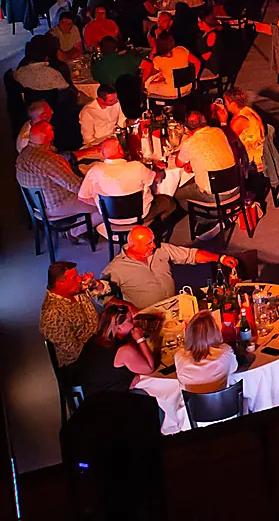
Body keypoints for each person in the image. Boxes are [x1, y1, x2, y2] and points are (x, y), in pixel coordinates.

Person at [102, 226, 233, 309]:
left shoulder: (161, 249)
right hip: (149, 316)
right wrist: (129, 308)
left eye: (153, 241)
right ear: (133, 247)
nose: (154, 246)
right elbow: (102, 297)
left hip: (176, 305)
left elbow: (190, 255)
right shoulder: (116, 268)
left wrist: (220, 258)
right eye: (148, 244)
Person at [78, 138, 178, 234]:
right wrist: (157, 168)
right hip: (141, 216)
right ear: (122, 151)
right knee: (169, 202)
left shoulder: (95, 171)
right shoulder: (136, 166)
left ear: (103, 154)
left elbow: (82, 197)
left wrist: (106, 206)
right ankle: (151, 233)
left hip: (111, 219)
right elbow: (154, 178)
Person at [18, 123, 98, 222]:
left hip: (37, 205)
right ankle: (74, 232)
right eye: (52, 130)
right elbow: (76, 186)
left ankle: (81, 228)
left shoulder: (23, 154)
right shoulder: (48, 160)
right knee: (105, 205)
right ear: (47, 135)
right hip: (56, 205)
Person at [76, 301, 156, 396]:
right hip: (107, 399)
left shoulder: (95, 338)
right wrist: (140, 339)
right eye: (130, 321)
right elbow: (149, 368)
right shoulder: (124, 350)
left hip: (93, 390)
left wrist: (129, 377)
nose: (134, 323)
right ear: (118, 327)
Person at [40, 261, 102, 369]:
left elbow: (103, 292)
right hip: (80, 364)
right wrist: (106, 351)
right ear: (60, 283)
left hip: (98, 340)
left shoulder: (74, 290)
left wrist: (94, 283)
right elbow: (75, 351)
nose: (79, 279)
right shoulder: (53, 314)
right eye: (74, 278)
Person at [172, 113, 237, 212]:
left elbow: (178, 163)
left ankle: (209, 219)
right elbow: (213, 152)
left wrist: (187, 139)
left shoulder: (190, 143)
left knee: (176, 194)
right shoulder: (218, 131)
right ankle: (219, 214)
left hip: (216, 196)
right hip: (236, 187)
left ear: (187, 129)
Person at [174, 310, 239, 392]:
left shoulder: (179, 356)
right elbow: (234, 368)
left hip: (193, 404)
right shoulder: (225, 352)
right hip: (223, 403)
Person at [79, 85, 127, 151]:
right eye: (111, 100)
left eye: (116, 98)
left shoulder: (116, 103)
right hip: (97, 145)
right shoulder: (88, 112)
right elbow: (88, 138)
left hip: (115, 141)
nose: (116, 101)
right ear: (100, 100)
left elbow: (121, 121)